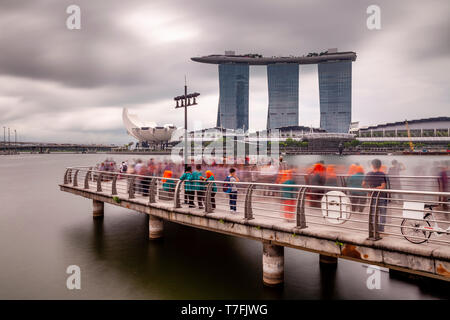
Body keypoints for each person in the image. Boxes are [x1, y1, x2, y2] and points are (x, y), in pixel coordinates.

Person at [363, 159, 388, 232]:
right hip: (381, 196)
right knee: (382, 214)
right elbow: (383, 186)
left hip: (372, 196)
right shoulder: (382, 174)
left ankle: (374, 229)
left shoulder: (368, 174)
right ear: (380, 166)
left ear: (372, 165)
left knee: (373, 213)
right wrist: (376, 188)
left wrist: (370, 189)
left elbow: (363, 184)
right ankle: (381, 229)